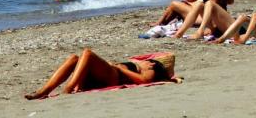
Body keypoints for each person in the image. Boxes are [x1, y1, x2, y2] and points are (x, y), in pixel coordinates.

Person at [24, 49, 178, 99]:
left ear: (153, 64)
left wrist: (118, 67)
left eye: (150, 60)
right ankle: (45, 91)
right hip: (104, 76)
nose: (147, 60)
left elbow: (143, 81)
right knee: (74, 58)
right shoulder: (141, 64)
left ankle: (68, 88)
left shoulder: (150, 69)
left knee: (88, 53)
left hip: (114, 77)